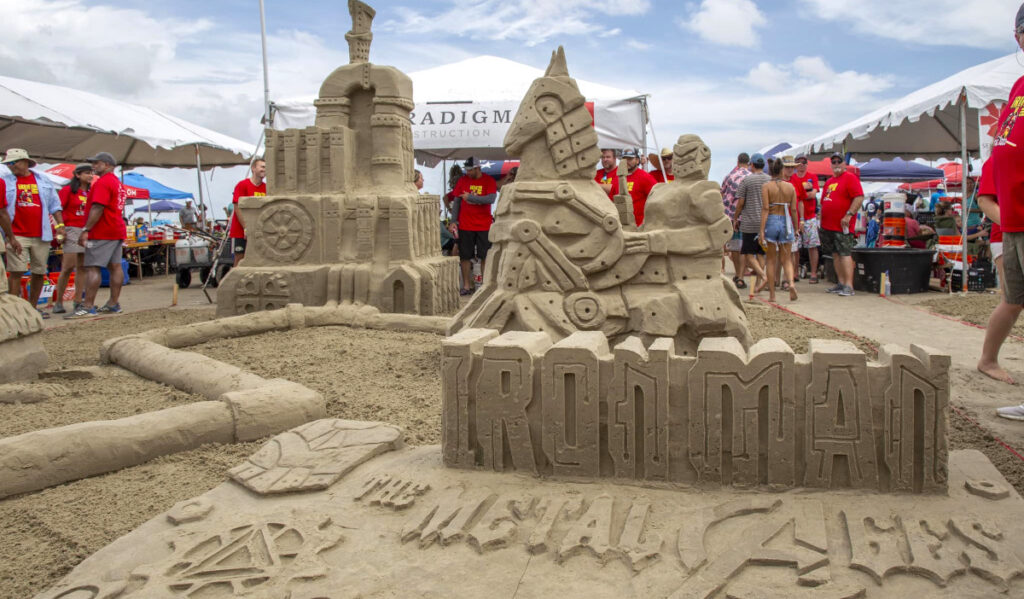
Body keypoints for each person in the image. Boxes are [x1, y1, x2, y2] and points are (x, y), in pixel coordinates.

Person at [977, 5, 1024, 391]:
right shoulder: (1018, 87)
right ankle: (987, 359)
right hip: (1014, 223)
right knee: (1013, 298)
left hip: (1016, 222)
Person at [1, 149, 64, 317]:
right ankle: (15, 311)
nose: (10, 166)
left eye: (12, 163)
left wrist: (61, 226)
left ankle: (32, 307)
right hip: (16, 233)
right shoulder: (5, 181)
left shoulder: (43, 180)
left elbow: (55, 205)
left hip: (41, 233)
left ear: (25, 162)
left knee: (39, 271)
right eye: (8, 164)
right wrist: (10, 236)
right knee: (17, 271)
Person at [66, 152, 126, 319]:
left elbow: (97, 208)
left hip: (102, 231)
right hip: (116, 229)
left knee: (92, 267)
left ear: (107, 165)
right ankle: (113, 303)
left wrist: (86, 229)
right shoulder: (117, 182)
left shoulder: (103, 183)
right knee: (115, 266)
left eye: (96, 163)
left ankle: (88, 306)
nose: (93, 167)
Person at [448, 157, 496, 296]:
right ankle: (467, 286)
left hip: (484, 225)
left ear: (477, 168)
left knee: (485, 255)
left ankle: (485, 285)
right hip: (465, 224)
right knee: (465, 256)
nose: (467, 172)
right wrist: (453, 221)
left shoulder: (489, 181)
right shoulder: (463, 181)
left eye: (470, 170)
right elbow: (457, 202)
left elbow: (491, 199)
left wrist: (471, 198)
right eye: (466, 170)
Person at [820, 153, 864, 297]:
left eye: (839, 161)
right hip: (828, 225)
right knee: (835, 254)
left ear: (844, 163)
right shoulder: (829, 181)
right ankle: (841, 282)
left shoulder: (850, 178)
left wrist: (849, 214)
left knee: (845, 254)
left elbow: (859, 197)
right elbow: (823, 201)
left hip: (843, 225)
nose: (836, 164)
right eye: (834, 162)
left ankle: (849, 285)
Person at [53, 164, 93, 314]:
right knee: (68, 267)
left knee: (83, 267)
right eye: (87, 173)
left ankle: (77, 301)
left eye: (91, 173)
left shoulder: (91, 192)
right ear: (78, 175)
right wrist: (60, 228)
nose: (90, 176)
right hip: (71, 229)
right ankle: (58, 301)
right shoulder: (67, 190)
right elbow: (57, 209)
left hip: (87, 231)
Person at [759, 158, 799, 302]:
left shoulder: (766, 187)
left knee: (770, 260)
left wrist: (762, 230)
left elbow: (765, 209)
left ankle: (772, 295)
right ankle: (791, 283)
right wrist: (796, 227)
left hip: (771, 219)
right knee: (786, 259)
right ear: (782, 170)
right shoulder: (790, 187)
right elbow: (794, 209)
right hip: (786, 220)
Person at [734, 152, 769, 292]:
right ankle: (758, 283)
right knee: (761, 253)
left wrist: (736, 217)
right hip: (765, 222)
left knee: (749, 254)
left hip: (749, 221)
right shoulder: (769, 179)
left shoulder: (747, 180)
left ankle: (762, 276)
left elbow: (741, 202)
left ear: (752, 165)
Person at [230, 158, 267, 267]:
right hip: (241, 230)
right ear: (253, 168)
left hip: (258, 230)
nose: (264, 169)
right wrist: (246, 227)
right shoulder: (242, 185)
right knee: (240, 258)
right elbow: (237, 207)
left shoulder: (266, 188)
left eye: (266, 167)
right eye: (262, 167)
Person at [721, 152, 751, 287]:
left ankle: (738, 274)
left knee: (734, 247)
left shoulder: (730, 177)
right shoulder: (752, 178)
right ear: (749, 163)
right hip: (748, 218)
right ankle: (741, 275)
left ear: (738, 163)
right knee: (745, 248)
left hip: (732, 218)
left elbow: (722, 195)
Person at [791, 155, 821, 283]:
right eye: (798, 162)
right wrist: (805, 192)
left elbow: (813, 194)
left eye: (804, 162)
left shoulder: (812, 176)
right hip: (794, 218)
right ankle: (795, 272)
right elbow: (793, 196)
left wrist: (800, 194)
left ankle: (813, 273)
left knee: (812, 246)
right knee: (795, 247)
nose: (801, 164)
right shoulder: (792, 178)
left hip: (810, 217)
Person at [614, 148, 657, 226]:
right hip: (621, 226)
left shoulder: (646, 177)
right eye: (624, 159)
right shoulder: (617, 178)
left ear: (637, 160)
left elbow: (656, 198)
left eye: (630, 159)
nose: (626, 162)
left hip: (640, 227)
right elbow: (612, 200)